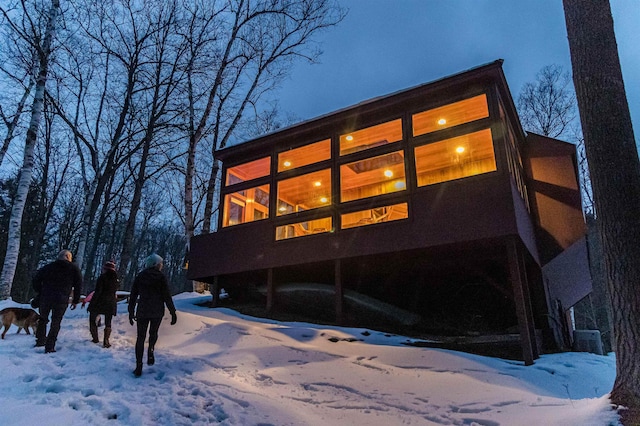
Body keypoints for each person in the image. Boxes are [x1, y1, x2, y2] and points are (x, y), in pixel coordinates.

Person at [128, 253, 177, 377]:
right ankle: (151, 349)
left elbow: (133, 295)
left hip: (143, 310)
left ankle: (138, 366)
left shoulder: (140, 276)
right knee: (153, 333)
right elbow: (167, 296)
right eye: (160, 264)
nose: (162, 266)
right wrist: (172, 312)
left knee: (140, 337)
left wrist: (131, 311)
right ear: (156, 264)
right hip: (157, 311)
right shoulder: (161, 277)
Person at [32, 249, 83, 353]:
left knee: (43, 319)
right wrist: (75, 300)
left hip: (45, 297)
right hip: (61, 299)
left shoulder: (48, 267)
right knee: (56, 322)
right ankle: (50, 346)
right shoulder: (74, 269)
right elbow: (78, 285)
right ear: (69, 258)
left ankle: (40, 340)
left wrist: (40, 291)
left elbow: (36, 279)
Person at [88, 261, 119, 348]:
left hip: (100, 302)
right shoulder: (116, 279)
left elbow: (98, 291)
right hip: (111, 302)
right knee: (108, 322)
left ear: (105, 269)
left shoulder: (102, 278)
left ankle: (95, 338)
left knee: (92, 318)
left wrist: (92, 303)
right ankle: (106, 341)